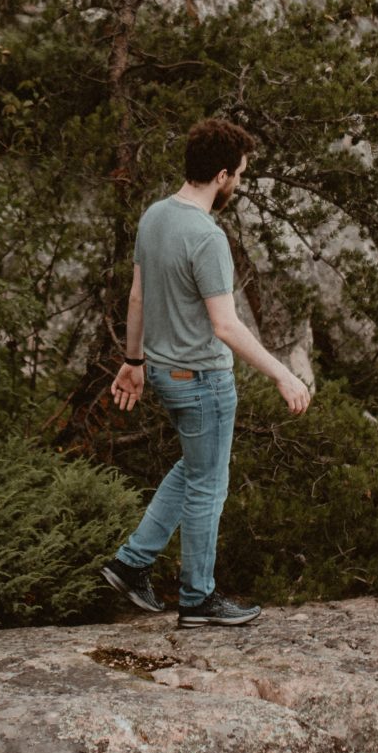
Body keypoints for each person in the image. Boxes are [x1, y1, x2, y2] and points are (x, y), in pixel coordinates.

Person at [101, 118, 311, 627]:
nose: (239, 181)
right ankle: (198, 598)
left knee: (194, 469)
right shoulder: (206, 237)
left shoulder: (154, 216)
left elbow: (137, 297)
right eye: (239, 173)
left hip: (167, 375)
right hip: (202, 380)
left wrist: (134, 362)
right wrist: (283, 374)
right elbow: (225, 326)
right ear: (221, 175)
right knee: (209, 485)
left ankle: (131, 564)